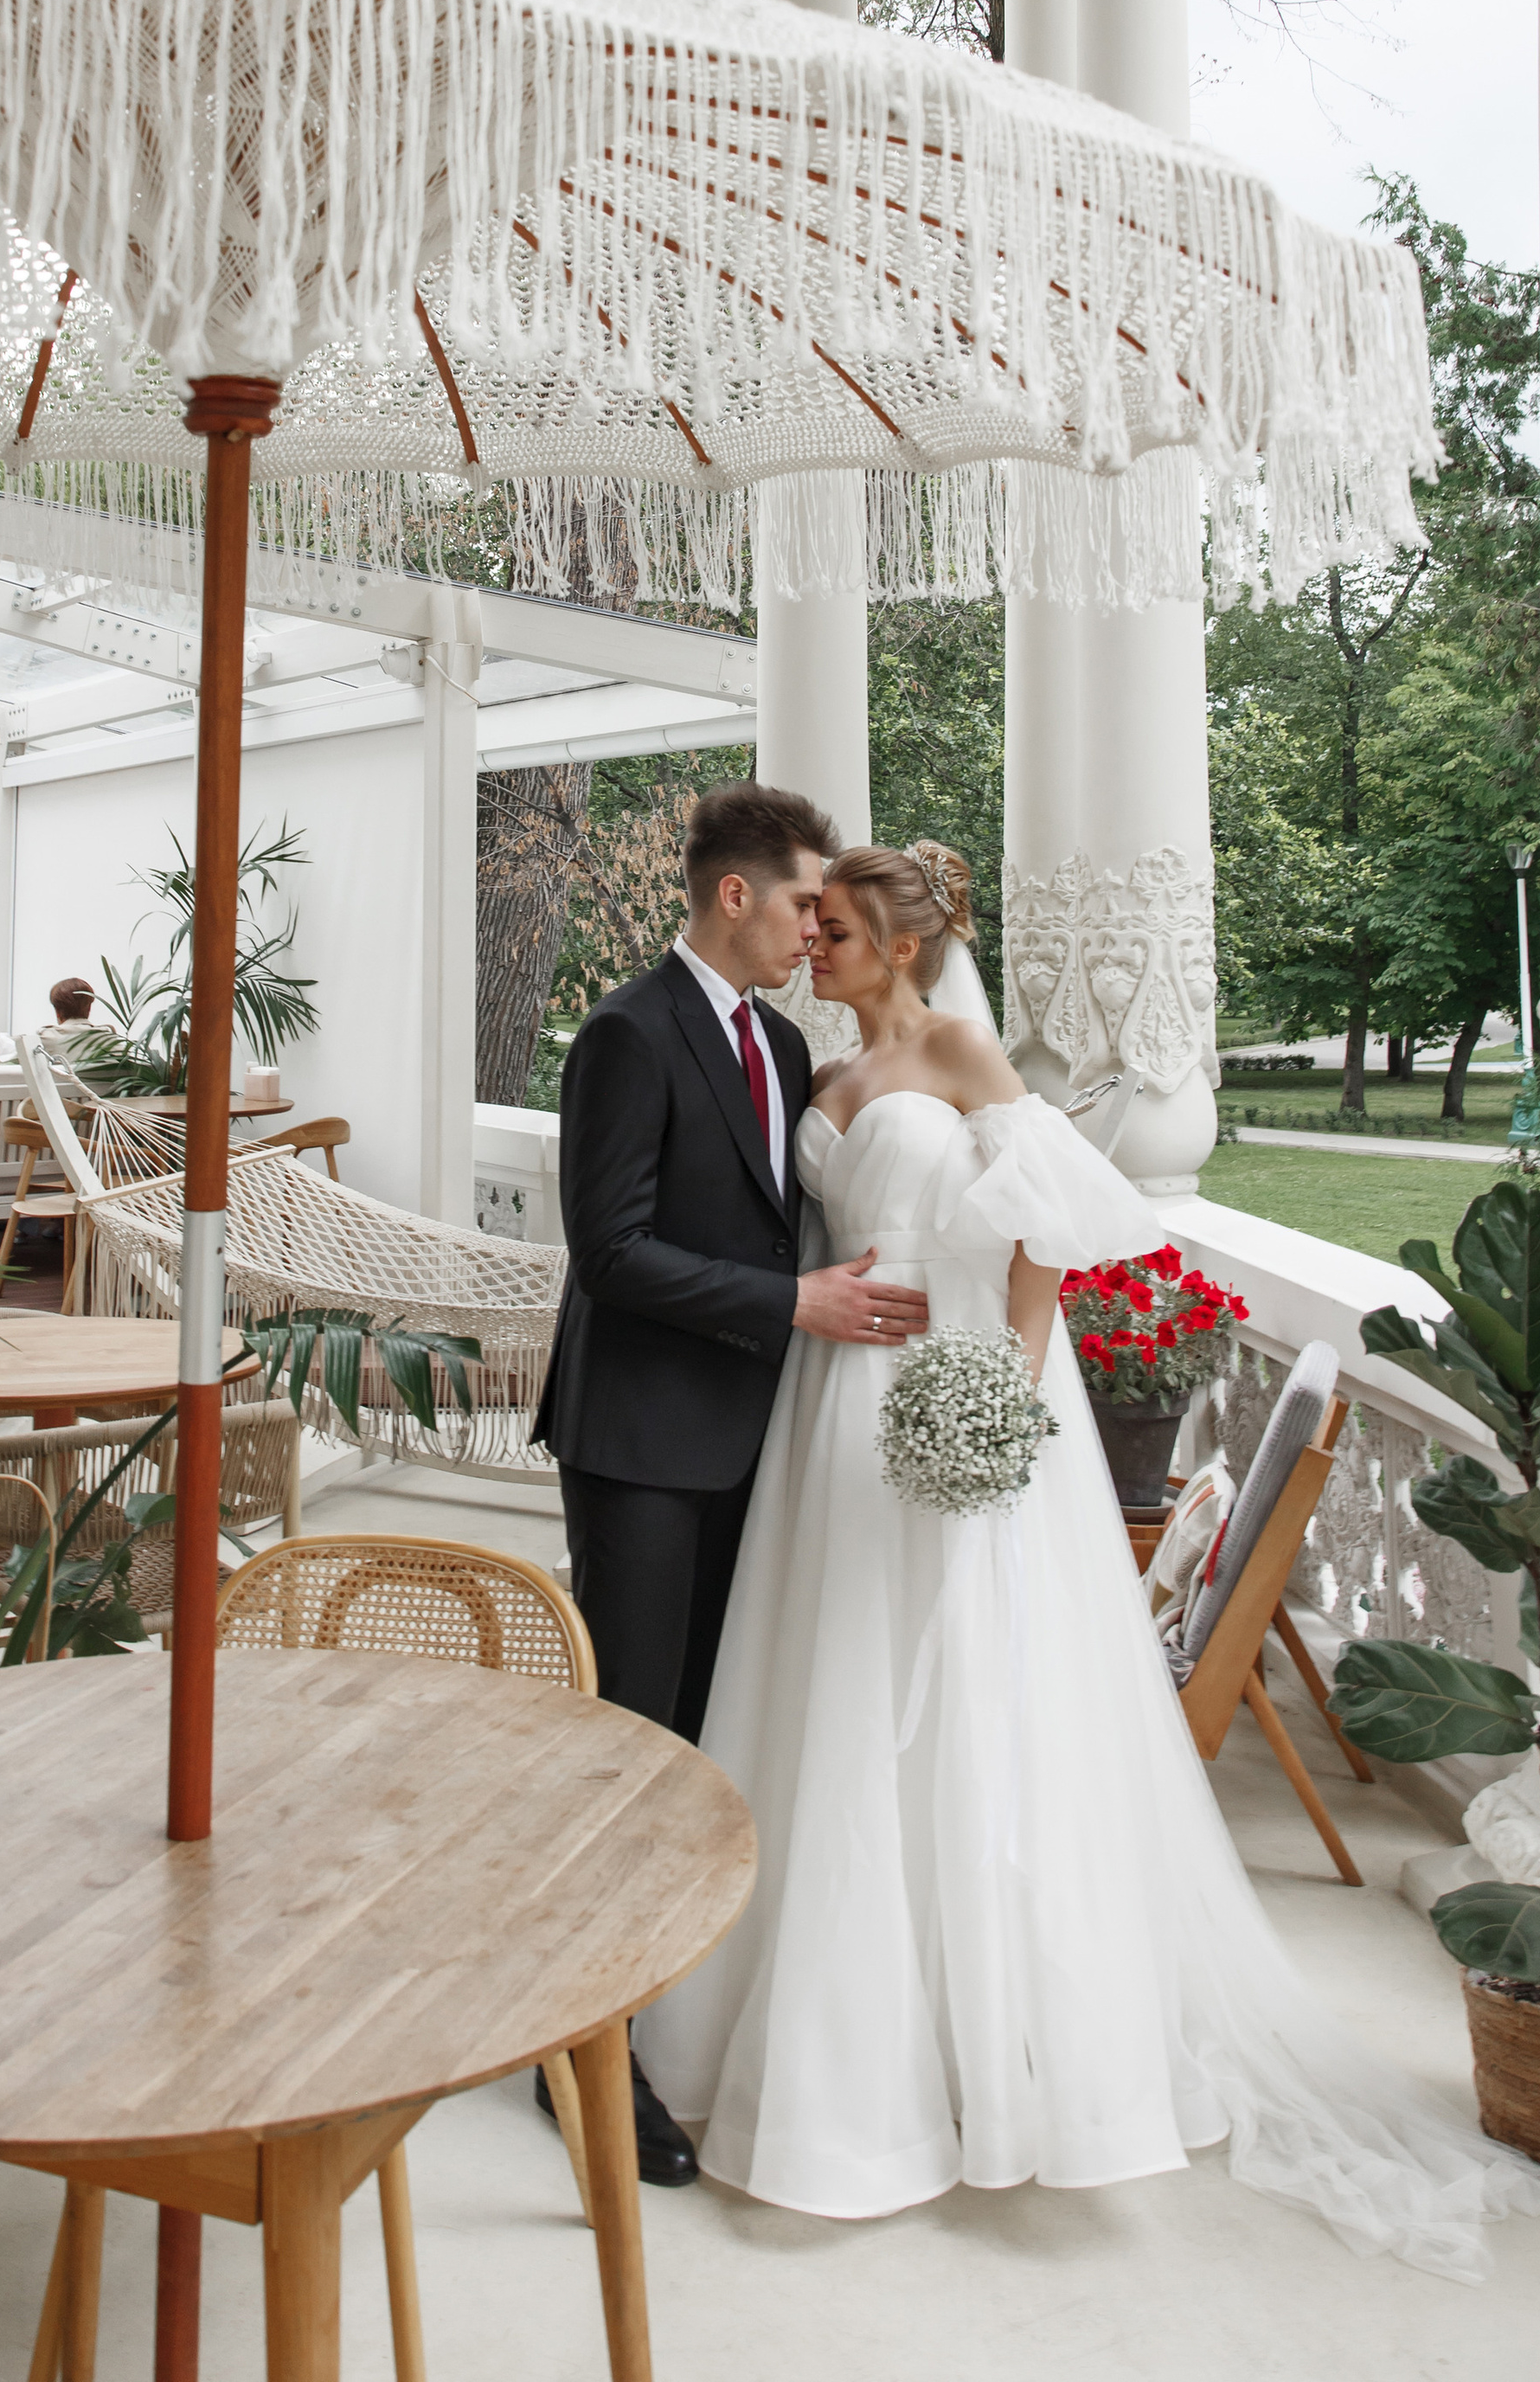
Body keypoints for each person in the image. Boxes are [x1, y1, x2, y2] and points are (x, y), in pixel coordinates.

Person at [633, 842, 1540, 2277]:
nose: (812, 944)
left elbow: (1049, 1234)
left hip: (952, 1380)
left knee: (964, 1688)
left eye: (837, 930)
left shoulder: (963, 1053)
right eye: (807, 926)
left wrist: (1003, 1389)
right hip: (828, 1404)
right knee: (830, 1676)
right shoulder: (818, 1072)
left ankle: (996, 2055)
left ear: (901, 944)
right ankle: (824, 2037)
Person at [533, 780, 933, 2187]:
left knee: (709, 1741)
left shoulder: (783, 1039)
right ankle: (582, 2047)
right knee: (632, 1744)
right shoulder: (625, 1033)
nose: (818, 929)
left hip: (761, 1442)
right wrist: (791, 1304)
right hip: (643, 1441)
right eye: (806, 904)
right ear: (734, 895)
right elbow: (610, 1250)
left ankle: (664, 2003)